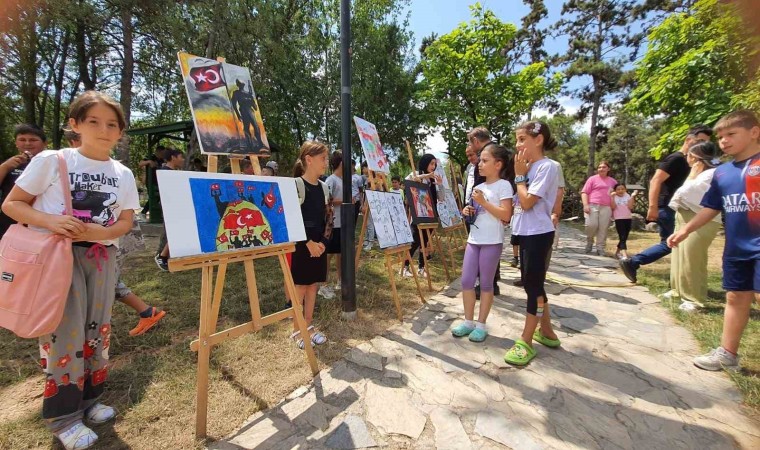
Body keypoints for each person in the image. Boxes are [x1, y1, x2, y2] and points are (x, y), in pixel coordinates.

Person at [2, 91, 140, 449]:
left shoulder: (122, 173)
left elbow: (124, 221)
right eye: (93, 121)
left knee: (98, 332)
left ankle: (90, 402)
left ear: (121, 132)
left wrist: (105, 233)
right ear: (75, 124)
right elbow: (13, 204)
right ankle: (63, 419)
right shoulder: (53, 160)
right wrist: (51, 221)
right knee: (64, 334)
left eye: (112, 124)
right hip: (57, 259)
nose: (104, 130)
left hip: (102, 258)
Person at [668, 110, 760, 372]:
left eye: (731, 134)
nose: (724, 141)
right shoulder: (723, 173)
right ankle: (727, 354)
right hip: (737, 246)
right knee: (735, 297)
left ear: (754, 132)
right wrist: (685, 230)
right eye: (720, 137)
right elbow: (711, 207)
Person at [64, 127, 166, 335]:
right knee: (107, 281)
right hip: (91, 243)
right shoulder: (60, 164)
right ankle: (146, 312)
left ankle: (136, 314)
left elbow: (125, 217)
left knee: (107, 280)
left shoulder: (116, 172)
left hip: (111, 240)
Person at [621, 125, 713, 282]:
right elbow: (656, 180)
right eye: (701, 141)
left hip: (680, 207)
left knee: (676, 243)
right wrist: (653, 206)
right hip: (668, 207)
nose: (704, 146)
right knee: (671, 242)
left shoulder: (694, 162)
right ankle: (634, 262)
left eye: (706, 142)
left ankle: (676, 280)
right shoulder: (676, 159)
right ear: (688, 140)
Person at [503, 120, 560, 366]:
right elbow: (518, 201)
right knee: (532, 283)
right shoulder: (529, 169)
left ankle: (526, 340)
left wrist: (518, 176)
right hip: (525, 232)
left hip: (539, 233)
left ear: (538, 140)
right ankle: (547, 331)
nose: (518, 145)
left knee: (532, 288)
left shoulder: (547, 167)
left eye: (522, 139)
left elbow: (527, 202)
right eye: (517, 140)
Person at [451, 144, 514, 342]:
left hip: (492, 242)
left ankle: (481, 325)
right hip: (474, 240)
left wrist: (485, 203)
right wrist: (467, 212)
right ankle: (468, 322)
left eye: (485, 160)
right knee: (467, 281)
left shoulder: (504, 186)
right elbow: (475, 214)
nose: (480, 164)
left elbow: (506, 214)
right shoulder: (478, 187)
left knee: (486, 284)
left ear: (498, 164)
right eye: (480, 160)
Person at [666, 141, 722, 311]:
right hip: (684, 215)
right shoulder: (699, 174)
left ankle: (694, 299)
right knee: (679, 255)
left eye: (690, 156)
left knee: (692, 257)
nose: (687, 159)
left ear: (698, 159)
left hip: (701, 219)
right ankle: (677, 290)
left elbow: (684, 193)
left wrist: (691, 177)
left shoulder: (711, 173)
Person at [290, 141, 332, 349]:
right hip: (302, 245)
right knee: (300, 286)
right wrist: (308, 243)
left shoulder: (324, 188)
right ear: (309, 159)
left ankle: (308, 325)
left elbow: (329, 218)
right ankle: (296, 330)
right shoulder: (296, 185)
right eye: (323, 158)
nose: (326, 162)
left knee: (313, 285)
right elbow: (293, 218)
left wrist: (323, 243)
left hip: (319, 246)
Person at [465, 127, 502, 296]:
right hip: (489, 206)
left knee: (487, 244)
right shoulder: (498, 151)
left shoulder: (488, 153)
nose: (479, 164)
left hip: (486, 207)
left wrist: (477, 200)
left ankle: (487, 284)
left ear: (476, 141)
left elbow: (483, 184)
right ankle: (491, 281)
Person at [0, 124, 48, 238]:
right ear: (16, 143)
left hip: (41, 222)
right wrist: (5, 167)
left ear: (45, 143)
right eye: (22, 140)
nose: (27, 143)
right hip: (9, 222)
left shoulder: (52, 163)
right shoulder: (9, 164)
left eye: (33, 140)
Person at [403, 154, 443, 277]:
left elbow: (441, 198)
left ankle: (421, 267)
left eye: (434, 164)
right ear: (425, 163)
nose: (433, 166)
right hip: (419, 215)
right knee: (415, 241)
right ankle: (405, 267)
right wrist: (426, 176)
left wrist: (440, 185)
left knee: (424, 242)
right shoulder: (417, 174)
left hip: (431, 215)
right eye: (431, 163)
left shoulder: (433, 180)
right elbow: (408, 180)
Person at [154, 149, 185, 271]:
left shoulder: (173, 172)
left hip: (175, 205)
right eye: (181, 157)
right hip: (170, 206)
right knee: (175, 231)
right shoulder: (164, 172)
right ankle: (161, 256)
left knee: (176, 231)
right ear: (173, 157)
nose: (182, 159)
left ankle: (167, 256)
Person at [581, 161, 617, 255]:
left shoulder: (613, 181)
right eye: (599, 167)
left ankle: (600, 248)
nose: (601, 169)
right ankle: (589, 241)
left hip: (606, 207)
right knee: (591, 225)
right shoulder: (592, 179)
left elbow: (617, 194)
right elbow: (584, 192)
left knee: (603, 228)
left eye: (604, 167)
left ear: (608, 169)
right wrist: (585, 205)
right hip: (592, 205)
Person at [321, 151, 344, 298]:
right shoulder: (331, 180)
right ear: (341, 163)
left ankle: (339, 281)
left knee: (340, 254)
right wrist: (344, 202)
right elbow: (326, 202)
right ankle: (323, 285)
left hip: (341, 223)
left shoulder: (342, 180)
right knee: (327, 255)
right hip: (331, 225)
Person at [610, 183, 636, 259]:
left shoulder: (627, 196)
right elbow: (613, 207)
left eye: (622, 189)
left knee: (625, 237)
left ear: (625, 190)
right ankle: (624, 255)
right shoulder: (614, 197)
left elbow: (630, 207)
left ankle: (617, 253)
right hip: (619, 218)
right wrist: (612, 197)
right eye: (618, 189)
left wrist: (632, 196)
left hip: (628, 218)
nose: (620, 191)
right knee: (622, 236)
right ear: (615, 190)